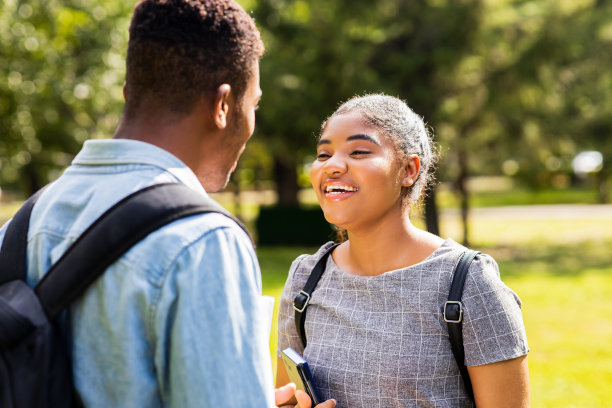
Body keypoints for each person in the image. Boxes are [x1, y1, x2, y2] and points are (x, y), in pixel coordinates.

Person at [0, 1, 335, 407]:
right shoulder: (204, 240)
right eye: (255, 104)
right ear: (224, 106)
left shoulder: (21, 225)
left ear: (129, 94)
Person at [276, 94, 530, 407]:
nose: (332, 166)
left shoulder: (468, 283)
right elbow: (285, 397)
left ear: (408, 170)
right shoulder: (306, 278)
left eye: (358, 151)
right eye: (323, 154)